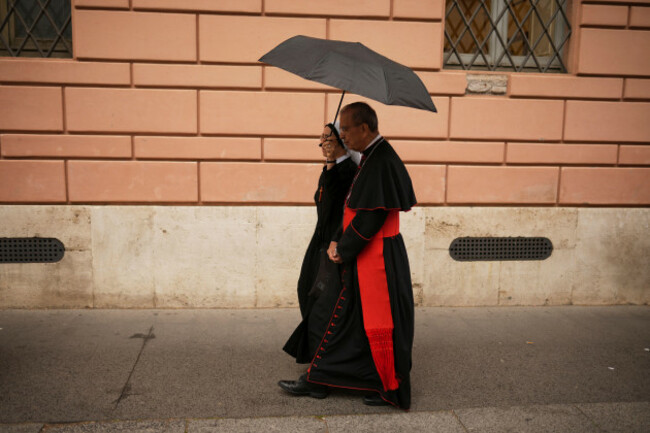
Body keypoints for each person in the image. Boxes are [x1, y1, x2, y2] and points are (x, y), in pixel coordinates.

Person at [279, 102, 417, 410]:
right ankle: (337, 380)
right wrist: (340, 240)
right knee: (347, 320)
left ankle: (379, 385)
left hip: (376, 257)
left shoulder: (381, 161)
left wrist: (342, 248)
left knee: (355, 319)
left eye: (346, 129)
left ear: (364, 128)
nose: (343, 135)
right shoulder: (373, 157)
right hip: (368, 252)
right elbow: (353, 208)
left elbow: (371, 217)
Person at [280, 122, 358, 394]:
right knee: (307, 292)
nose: (323, 142)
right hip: (319, 243)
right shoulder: (333, 169)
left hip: (333, 247)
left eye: (328, 137)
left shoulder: (349, 171)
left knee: (324, 306)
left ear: (340, 141)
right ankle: (321, 364)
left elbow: (339, 208)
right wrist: (329, 164)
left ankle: (321, 376)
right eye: (321, 138)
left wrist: (332, 163)